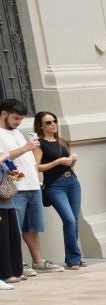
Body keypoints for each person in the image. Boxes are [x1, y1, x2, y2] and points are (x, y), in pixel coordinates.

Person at [1, 97, 48, 274]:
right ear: (4, 114)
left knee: (33, 227)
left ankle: (38, 261)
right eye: (15, 118)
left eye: (21, 119)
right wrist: (26, 148)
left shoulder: (18, 133)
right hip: (14, 188)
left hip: (32, 185)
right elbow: (3, 157)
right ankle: (17, 264)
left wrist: (36, 178)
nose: (19, 122)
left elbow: (28, 159)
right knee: (15, 229)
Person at [33, 110, 85, 269]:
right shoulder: (39, 143)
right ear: (41, 127)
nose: (53, 124)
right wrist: (58, 161)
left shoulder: (61, 141)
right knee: (68, 219)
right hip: (55, 186)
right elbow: (37, 167)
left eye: (54, 121)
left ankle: (74, 258)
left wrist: (72, 160)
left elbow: (67, 164)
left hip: (73, 182)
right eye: (48, 122)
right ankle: (74, 259)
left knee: (74, 220)